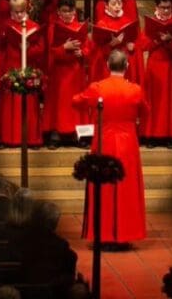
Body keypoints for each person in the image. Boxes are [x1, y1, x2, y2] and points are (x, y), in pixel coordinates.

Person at [72, 50, 148, 245]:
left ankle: (102, 233)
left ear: (107, 65)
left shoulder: (98, 87)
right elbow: (146, 110)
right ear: (127, 66)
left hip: (103, 140)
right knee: (127, 186)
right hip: (128, 141)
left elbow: (76, 101)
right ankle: (126, 234)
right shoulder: (135, 89)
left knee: (102, 185)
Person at [138, 0, 172, 149]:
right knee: (154, 103)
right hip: (154, 67)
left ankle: (170, 136)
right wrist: (159, 39)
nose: (165, 11)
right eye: (163, 7)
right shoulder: (151, 23)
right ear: (156, 6)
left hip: (171, 67)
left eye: (168, 8)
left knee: (170, 104)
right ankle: (151, 135)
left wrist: (170, 41)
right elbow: (143, 46)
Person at [43, 0, 92, 148]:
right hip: (60, 73)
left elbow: (88, 47)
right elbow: (50, 51)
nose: (67, 14)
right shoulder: (53, 28)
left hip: (76, 72)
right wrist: (64, 47)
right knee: (60, 105)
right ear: (58, 12)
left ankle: (80, 135)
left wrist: (82, 53)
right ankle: (56, 135)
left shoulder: (80, 26)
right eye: (64, 11)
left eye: (70, 11)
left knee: (77, 105)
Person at [0, 0, 44, 148]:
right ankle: (9, 138)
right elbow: (0, 46)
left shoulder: (34, 26)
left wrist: (29, 49)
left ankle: (32, 138)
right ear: (10, 11)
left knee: (29, 105)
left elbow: (41, 49)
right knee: (10, 105)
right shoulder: (6, 25)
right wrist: (4, 36)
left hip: (28, 68)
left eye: (21, 11)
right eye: (15, 12)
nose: (19, 15)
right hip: (11, 67)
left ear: (26, 9)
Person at [90, 0, 142, 84]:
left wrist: (132, 45)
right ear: (106, 6)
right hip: (108, 62)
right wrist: (110, 44)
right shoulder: (101, 23)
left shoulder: (128, 21)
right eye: (113, 4)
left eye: (119, 3)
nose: (117, 6)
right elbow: (96, 49)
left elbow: (135, 40)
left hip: (124, 62)